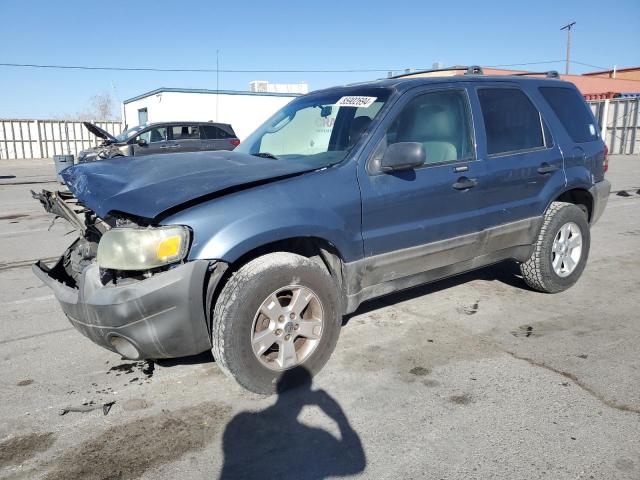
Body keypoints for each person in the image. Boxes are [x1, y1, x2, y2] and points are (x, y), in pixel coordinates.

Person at [219, 367, 366, 479]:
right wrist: (341, 421)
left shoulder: (240, 422)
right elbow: (357, 464)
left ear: (277, 387)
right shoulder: (317, 437)